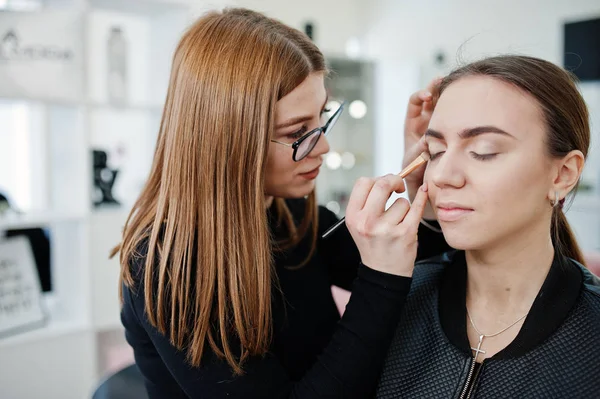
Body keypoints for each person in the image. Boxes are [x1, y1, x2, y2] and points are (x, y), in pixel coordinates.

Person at [114, 8, 448, 398]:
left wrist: (422, 192)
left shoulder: (292, 215)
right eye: (297, 132)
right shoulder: (169, 266)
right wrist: (380, 278)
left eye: (323, 117)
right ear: (228, 139)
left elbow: (422, 261)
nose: (323, 146)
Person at [374, 55, 600, 398]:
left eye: (484, 150)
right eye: (435, 151)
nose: (443, 176)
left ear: (563, 174)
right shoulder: (393, 302)